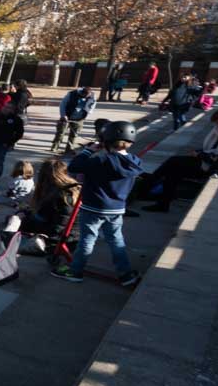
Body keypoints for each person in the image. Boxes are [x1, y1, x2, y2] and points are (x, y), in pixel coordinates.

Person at [51, 121, 143, 286]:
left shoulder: (101, 161)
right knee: (116, 241)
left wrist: (88, 151)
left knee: (87, 240)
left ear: (106, 141)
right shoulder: (135, 161)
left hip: (93, 207)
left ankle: (75, 271)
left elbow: (75, 166)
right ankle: (126, 274)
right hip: (117, 209)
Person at [141, 104, 218, 212]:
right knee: (174, 168)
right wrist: (199, 152)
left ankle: (149, 189)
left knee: (174, 163)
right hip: (210, 162)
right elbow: (212, 149)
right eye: (217, 124)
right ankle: (160, 199)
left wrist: (201, 155)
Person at [19, 158, 81, 237]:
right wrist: (26, 213)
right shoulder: (69, 189)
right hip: (71, 233)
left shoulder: (61, 196)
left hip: (61, 237)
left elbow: (57, 228)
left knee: (15, 222)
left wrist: (25, 221)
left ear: (44, 176)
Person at [52, 86, 95, 152]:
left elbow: (90, 109)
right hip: (67, 117)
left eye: (87, 96)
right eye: (84, 95)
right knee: (60, 133)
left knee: (74, 135)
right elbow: (63, 104)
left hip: (79, 119)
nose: (85, 97)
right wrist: (63, 115)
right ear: (81, 92)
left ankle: (69, 149)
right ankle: (54, 147)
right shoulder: (72, 94)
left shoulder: (91, 98)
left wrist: (84, 116)